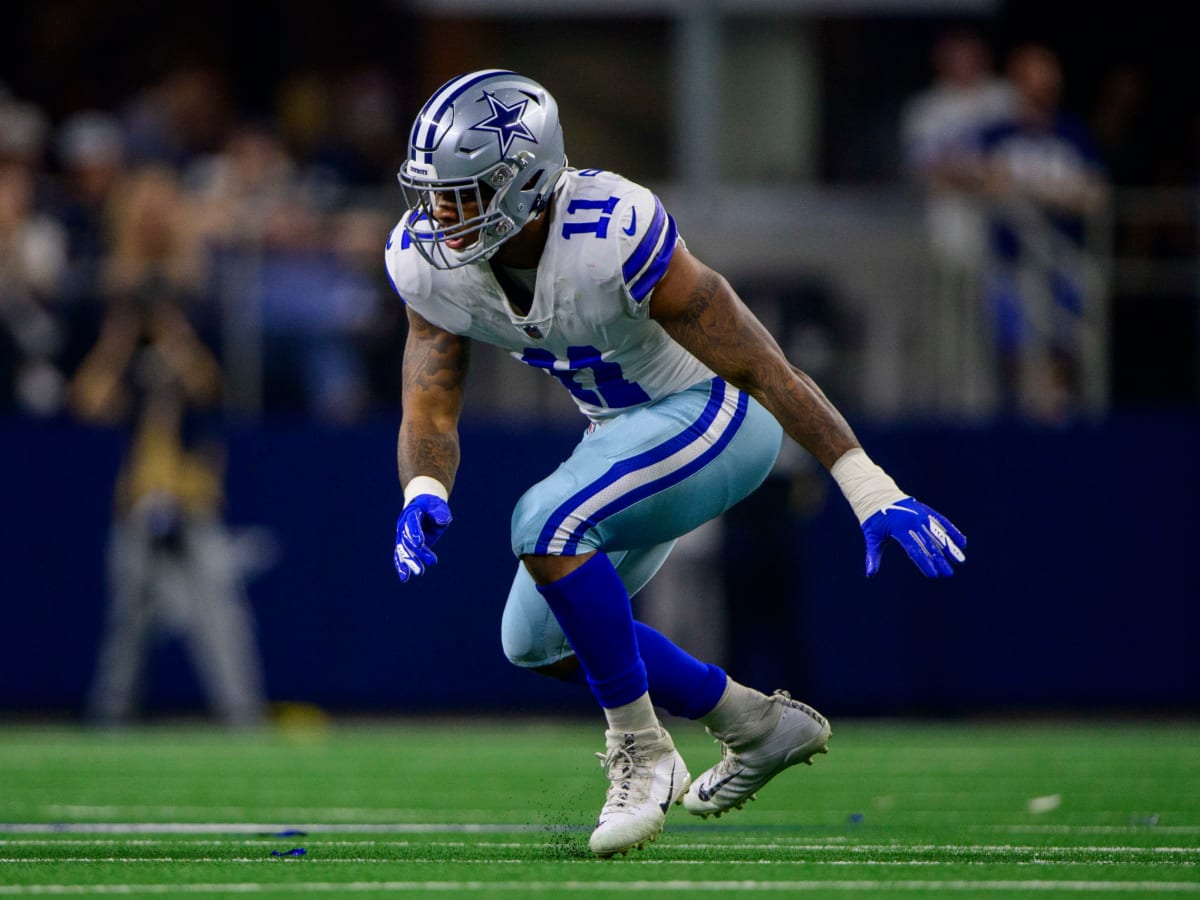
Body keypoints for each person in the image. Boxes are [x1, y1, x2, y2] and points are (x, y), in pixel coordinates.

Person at [385, 70, 967, 858]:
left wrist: (867, 483)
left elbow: (765, 366)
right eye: (436, 194)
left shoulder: (612, 228)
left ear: (527, 182)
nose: (441, 216)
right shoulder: (430, 262)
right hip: (618, 437)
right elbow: (429, 399)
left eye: (465, 194)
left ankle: (642, 750)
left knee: (544, 521)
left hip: (719, 417)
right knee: (536, 639)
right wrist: (423, 485)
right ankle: (754, 724)